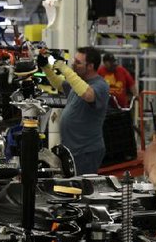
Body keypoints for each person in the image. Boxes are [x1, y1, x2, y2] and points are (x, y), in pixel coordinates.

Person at [38, 46, 110, 174]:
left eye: (78, 62)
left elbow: (88, 94)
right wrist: (46, 67)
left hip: (86, 150)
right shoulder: (78, 82)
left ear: (90, 66)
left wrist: (64, 68)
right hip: (73, 149)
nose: (73, 64)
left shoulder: (100, 85)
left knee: (81, 188)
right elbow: (59, 84)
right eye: (74, 61)